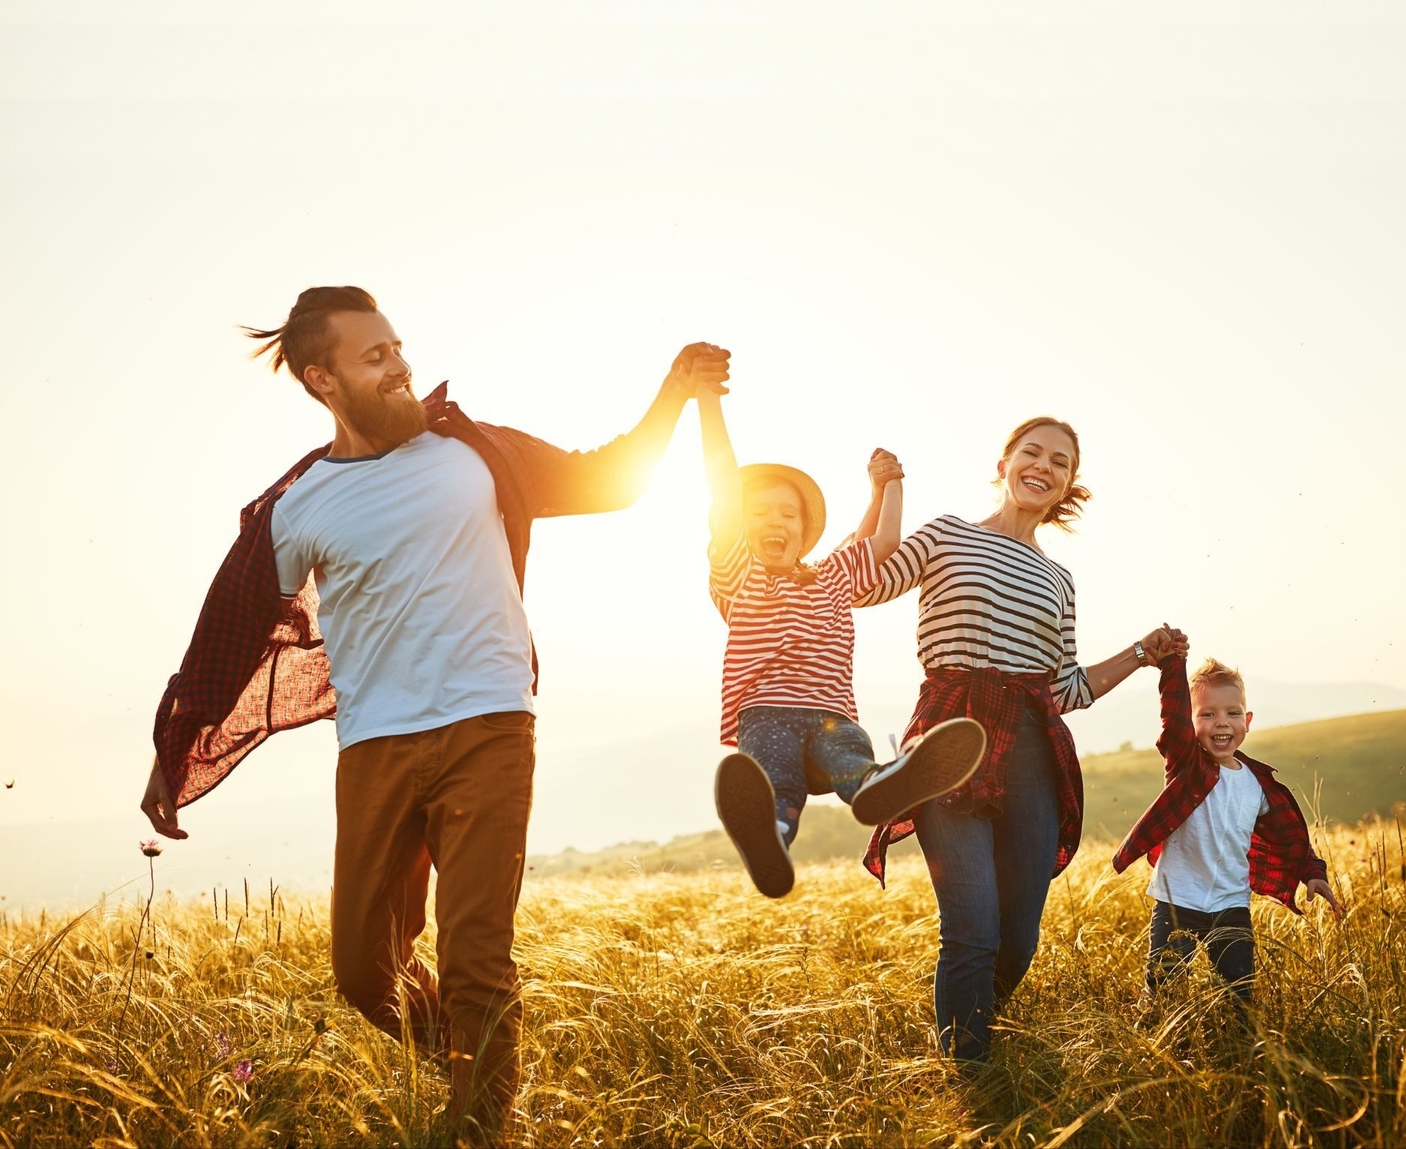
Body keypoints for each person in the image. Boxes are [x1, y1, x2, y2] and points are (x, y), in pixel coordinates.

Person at [138, 285, 727, 1140]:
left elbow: (610, 480)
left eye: (398, 347)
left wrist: (673, 389)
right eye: (374, 356)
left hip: (489, 727)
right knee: (362, 973)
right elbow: (231, 636)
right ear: (322, 379)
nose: (400, 365)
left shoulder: (474, 452)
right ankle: (467, 1057)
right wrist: (173, 749)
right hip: (375, 745)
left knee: (475, 958)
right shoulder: (299, 504)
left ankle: (479, 1122)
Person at [857, 416, 1187, 1063]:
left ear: (1069, 484)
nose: (1043, 466)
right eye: (1031, 452)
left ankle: (974, 1031)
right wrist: (883, 491)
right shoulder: (947, 535)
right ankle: (969, 1079)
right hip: (950, 739)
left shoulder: (1059, 580)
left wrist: (1142, 653)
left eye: (1060, 462)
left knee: (1016, 940)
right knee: (972, 928)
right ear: (1004, 461)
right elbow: (867, 583)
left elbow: (1065, 689)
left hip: (1034, 750)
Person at [696, 380, 985, 899]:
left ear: (804, 531)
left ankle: (881, 786)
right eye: (759, 514)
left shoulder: (833, 574)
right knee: (775, 785)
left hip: (833, 716)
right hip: (766, 713)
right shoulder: (740, 574)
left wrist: (890, 484)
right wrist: (708, 402)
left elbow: (884, 540)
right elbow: (721, 482)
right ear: (739, 527)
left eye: (788, 515)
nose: (774, 522)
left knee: (851, 761)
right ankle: (773, 841)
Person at [1113, 653, 1344, 1004]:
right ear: (1189, 725)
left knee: (1239, 995)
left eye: (1232, 713)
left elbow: (1289, 838)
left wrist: (1312, 872)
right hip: (1178, 900)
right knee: (1164, 991)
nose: (1222, 722)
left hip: (1231, 903)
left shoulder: (1257, 784)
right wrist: (1174, 662)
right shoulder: (1187, 766)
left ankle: (1239, 1051)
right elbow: (1172, 715)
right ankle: (1158, 1045)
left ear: (1247, 721)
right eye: (1207, 714)